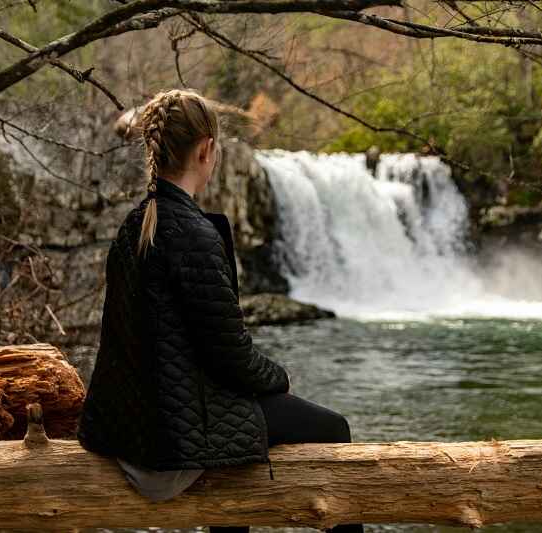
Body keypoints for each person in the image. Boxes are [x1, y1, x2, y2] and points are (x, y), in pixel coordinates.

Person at [75, 88, 363, 533]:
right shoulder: (192, 233)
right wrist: (279, 378)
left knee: (236, 436)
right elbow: (230, 356)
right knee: (335, 430)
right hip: (168, 446)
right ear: (207, 150)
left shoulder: (134, 225)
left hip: (126, 431)